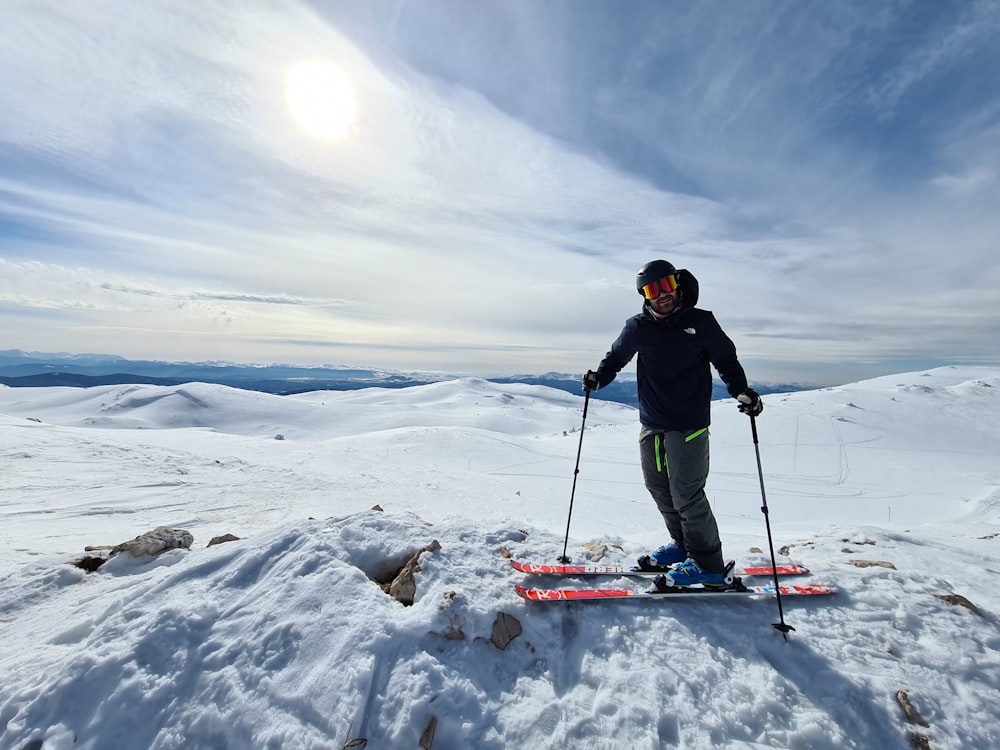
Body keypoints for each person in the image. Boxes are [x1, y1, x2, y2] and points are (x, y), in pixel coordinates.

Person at [582, 260, 763, 587]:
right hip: (652, 422)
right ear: (645, 295)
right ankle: (683, 547)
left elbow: (725, 359)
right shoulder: (637, 327)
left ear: (677, 285)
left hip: (689, 422)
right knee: (659, 488)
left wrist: (741, 391)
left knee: (687, 493)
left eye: (667, 286)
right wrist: (598, 379)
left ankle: (709, 565)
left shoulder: (700, 322)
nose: (662, 295)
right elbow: (615, 359)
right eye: (653, 290)